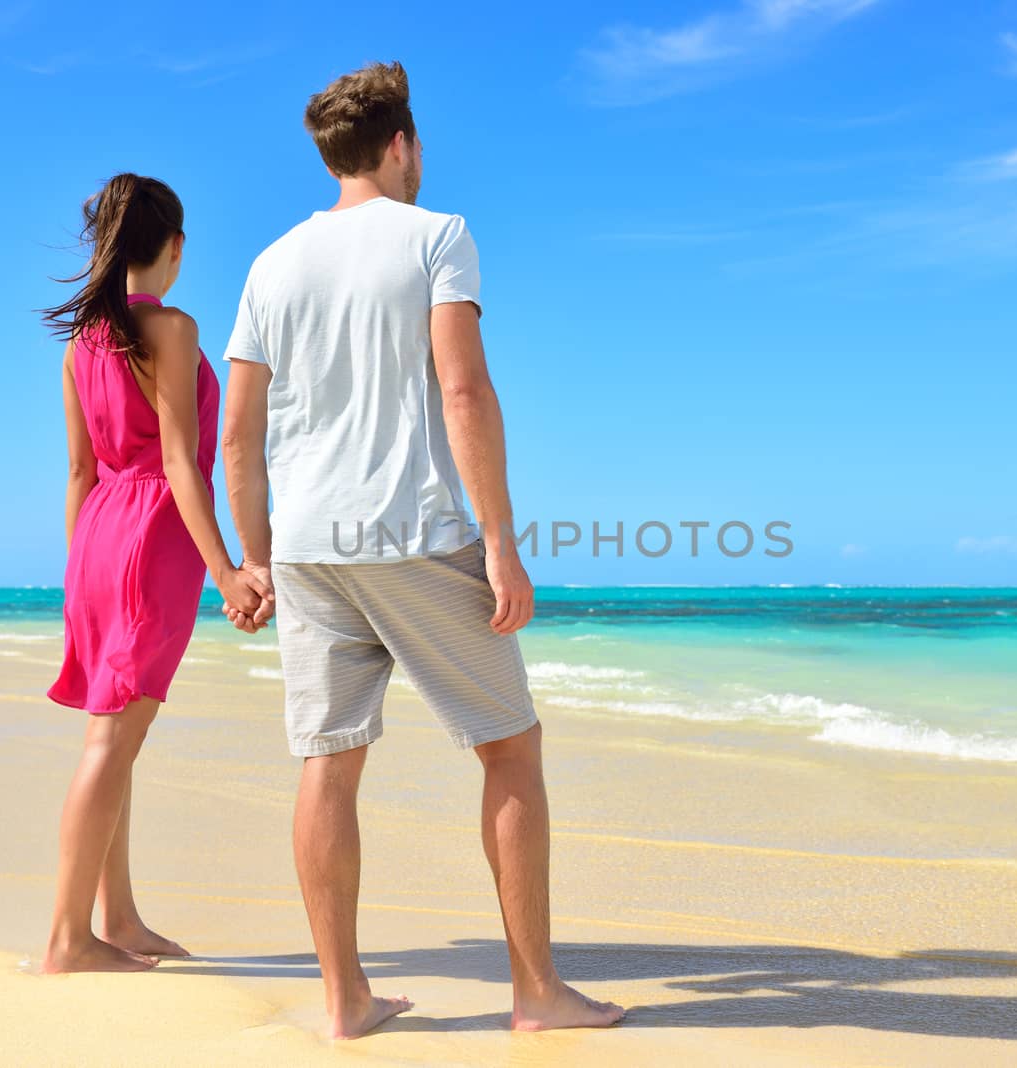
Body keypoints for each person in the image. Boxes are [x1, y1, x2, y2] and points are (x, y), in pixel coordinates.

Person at [219, 62, 627, 1038]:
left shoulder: (270, 264)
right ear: (401, 146)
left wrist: (256, 556)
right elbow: (463, 391)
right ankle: (535, 992)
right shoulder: (437, 235)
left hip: (311, 540)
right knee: (510, 751)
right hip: (409, 528)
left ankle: (345, 1001)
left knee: (327, 760)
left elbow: (236, 435)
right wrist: (502, 543)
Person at [39, 173, 273, 973]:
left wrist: (77, 582)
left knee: (114, 739)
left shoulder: (82, 345)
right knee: (112, 741)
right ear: (173, 247)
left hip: (98, 538)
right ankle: (68, 939)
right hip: (150, 539)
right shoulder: (171, 328)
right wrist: (229, 571)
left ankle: (118, 918)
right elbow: (181, 462)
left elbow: (78, 472)